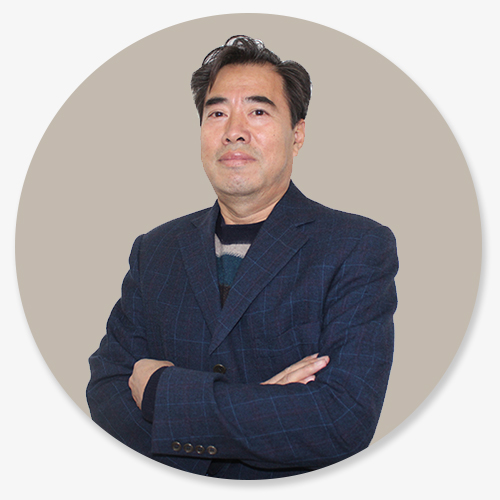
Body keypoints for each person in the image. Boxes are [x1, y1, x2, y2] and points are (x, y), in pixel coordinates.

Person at [87, 35, 398, 480]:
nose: (234, 130)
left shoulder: (356, 246)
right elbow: (106, 391)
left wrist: (161, 393)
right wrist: (264, 403)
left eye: (258, 111)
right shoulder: (154, 249)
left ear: (297, 135)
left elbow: (342, 418)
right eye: (216, 113)